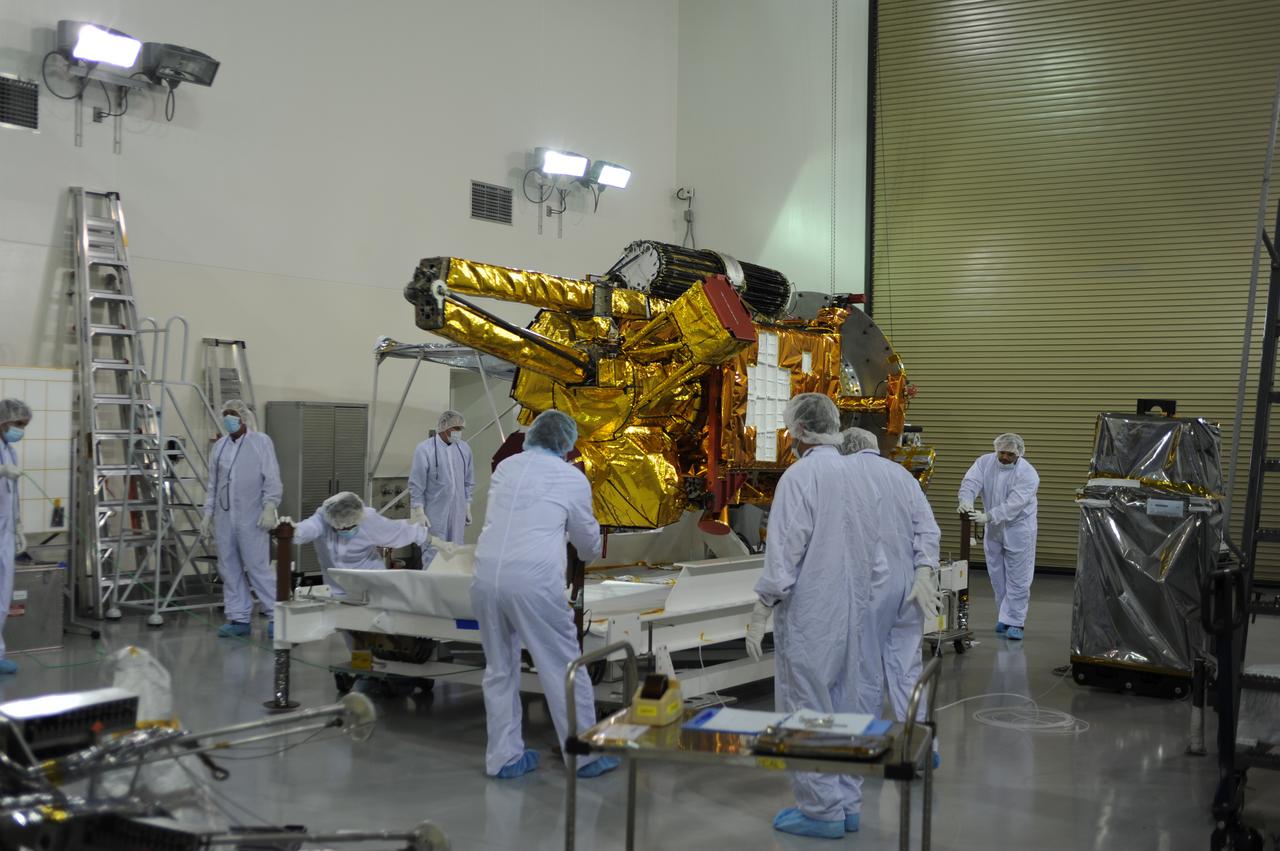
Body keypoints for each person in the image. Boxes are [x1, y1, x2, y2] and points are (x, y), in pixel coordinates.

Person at [744, 395, 891, 839]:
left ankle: (821, 810)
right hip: (854, 609)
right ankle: (847, 803)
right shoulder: (860, 476)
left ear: (800, 431)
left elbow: (785, 550)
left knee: (808, 707)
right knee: (845, 706)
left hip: (812, 613)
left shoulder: (801, 477)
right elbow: (878, 556)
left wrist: (763, 605)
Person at [469, 409, 617, 780]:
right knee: (563, 665)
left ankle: (503, 758)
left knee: (500, 669)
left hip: (486, 576)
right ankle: (584, 756)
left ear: (532, 435)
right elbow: (586, 538)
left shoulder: (507, 468)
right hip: (533, 581)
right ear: (567, 444)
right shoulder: (570, 478)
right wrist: (587, 552)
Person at [840, 427, 941, 771]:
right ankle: (923, 746)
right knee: (907, 669)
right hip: (911, 584)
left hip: (869, 586)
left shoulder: (842, 473)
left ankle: (867, 743)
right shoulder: (902, 475)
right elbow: (928, 528)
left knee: (865, 669)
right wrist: (925, 569)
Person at [200, 400, 282, 638]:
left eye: (232, 415)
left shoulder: (260, 442)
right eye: (225, 415)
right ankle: (238, 618)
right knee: (229, 568)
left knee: (258, 567)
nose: (228, 419)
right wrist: (208, 513)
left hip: (252, 516)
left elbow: (271, 477)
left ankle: (277, 616)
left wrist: (270, 506)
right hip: (225, 518)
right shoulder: (220, 447)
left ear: (243, 418)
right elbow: (213, 483)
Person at [958, 432, 1039, 640]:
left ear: (1019, 454)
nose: (1004, 457)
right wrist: (966, 500)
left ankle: (1016, 622)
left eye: (1010, 454)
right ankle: (1005, 616)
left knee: (1018, 577)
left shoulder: (1028, 474)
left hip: (1018, 529)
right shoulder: (985, 462)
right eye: (1001, 452)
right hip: (993, 529)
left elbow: (1014, 504)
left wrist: (988, 516)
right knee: (997, 575)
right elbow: (970, 482)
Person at [290, 492, 435, 595]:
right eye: (342, 528)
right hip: (337, 589)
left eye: (352, 526)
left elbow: (398, 531)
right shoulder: (323, 520)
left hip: (372, 583)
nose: (347, 530)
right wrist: (292, 530)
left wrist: (433, 540)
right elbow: (307, 529)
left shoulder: (368, 519)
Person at [409, 410, 475, 565]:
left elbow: (468, 480)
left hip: (457, 514)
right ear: (444, 427)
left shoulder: (464, 449)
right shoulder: (425, 449)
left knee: (456, 554)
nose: (459, 432)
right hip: (435, 516)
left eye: (461, 429)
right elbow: (417, 483)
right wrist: (419, 512)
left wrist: (467, 506)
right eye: (456, 428)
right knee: (433, 554)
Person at [0, 399, 31, 675]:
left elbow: (14, 494)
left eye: (23, 425)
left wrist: (18, 525)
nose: (20, 430)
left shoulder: (10, 452)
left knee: (2, 594)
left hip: (5, 531)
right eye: (18, 424)